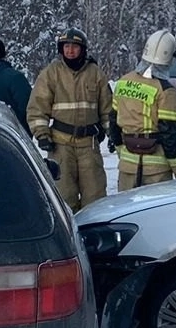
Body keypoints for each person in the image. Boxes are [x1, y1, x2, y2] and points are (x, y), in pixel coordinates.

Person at [28, 28, 113, 210]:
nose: (70, 51)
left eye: (74, 47)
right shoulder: (51, 73)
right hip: (60, 146)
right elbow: (37, 107)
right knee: (64, 197)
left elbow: (107, 109)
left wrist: (112, 133)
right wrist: (42, 134)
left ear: (83, 49)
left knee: (95, 197)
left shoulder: (95, 73)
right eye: (66, 46)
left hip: (88, 145)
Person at [109, 30, 176, 190]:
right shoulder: (165, 91)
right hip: (156, 172)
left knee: (126, 213)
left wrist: (122, 153)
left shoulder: (123, 82)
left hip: (127, 168)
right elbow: (171, 134)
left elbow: (113, 123)